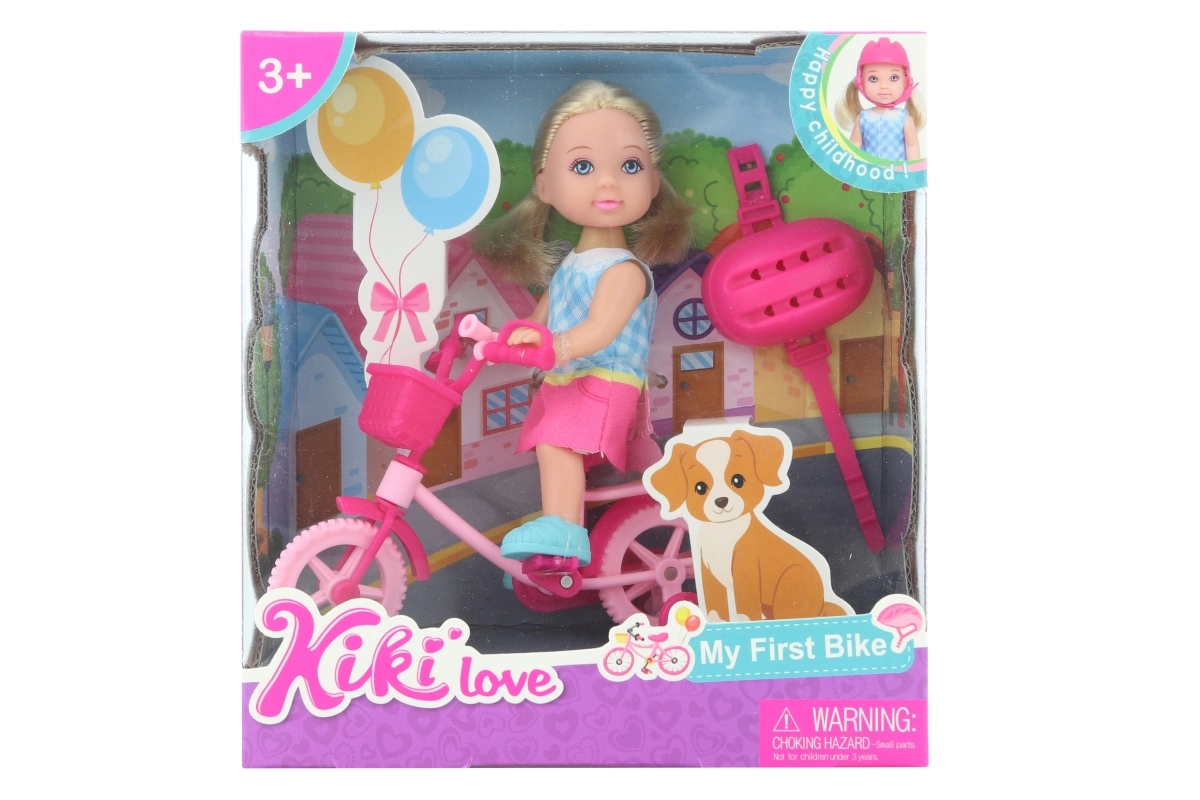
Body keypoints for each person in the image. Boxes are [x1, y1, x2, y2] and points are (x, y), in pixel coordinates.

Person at [473, 80, 693, 567]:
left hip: (604, 380)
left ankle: (565, 533)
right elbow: (536, 322)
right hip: (569, 380)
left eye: (630, 166)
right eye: (583, 167)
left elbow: (600, 329)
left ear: (653, 183)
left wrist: (555, 347)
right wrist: (496, 342)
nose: (608, 183)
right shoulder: (571, 265)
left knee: (556, 444)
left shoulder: (625, 271)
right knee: (551, 448)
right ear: (545, 186)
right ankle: (557, 559)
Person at [835, 38, 924, 162]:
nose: (884, 86)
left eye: (894, 78)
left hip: (896, 171)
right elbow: (854, 144)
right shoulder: (863, 118)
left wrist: (912, 169)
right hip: (868, 171)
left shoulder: (904, 119)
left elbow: (912, 146)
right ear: (860, 81)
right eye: (873, 79)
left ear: (906, 81)